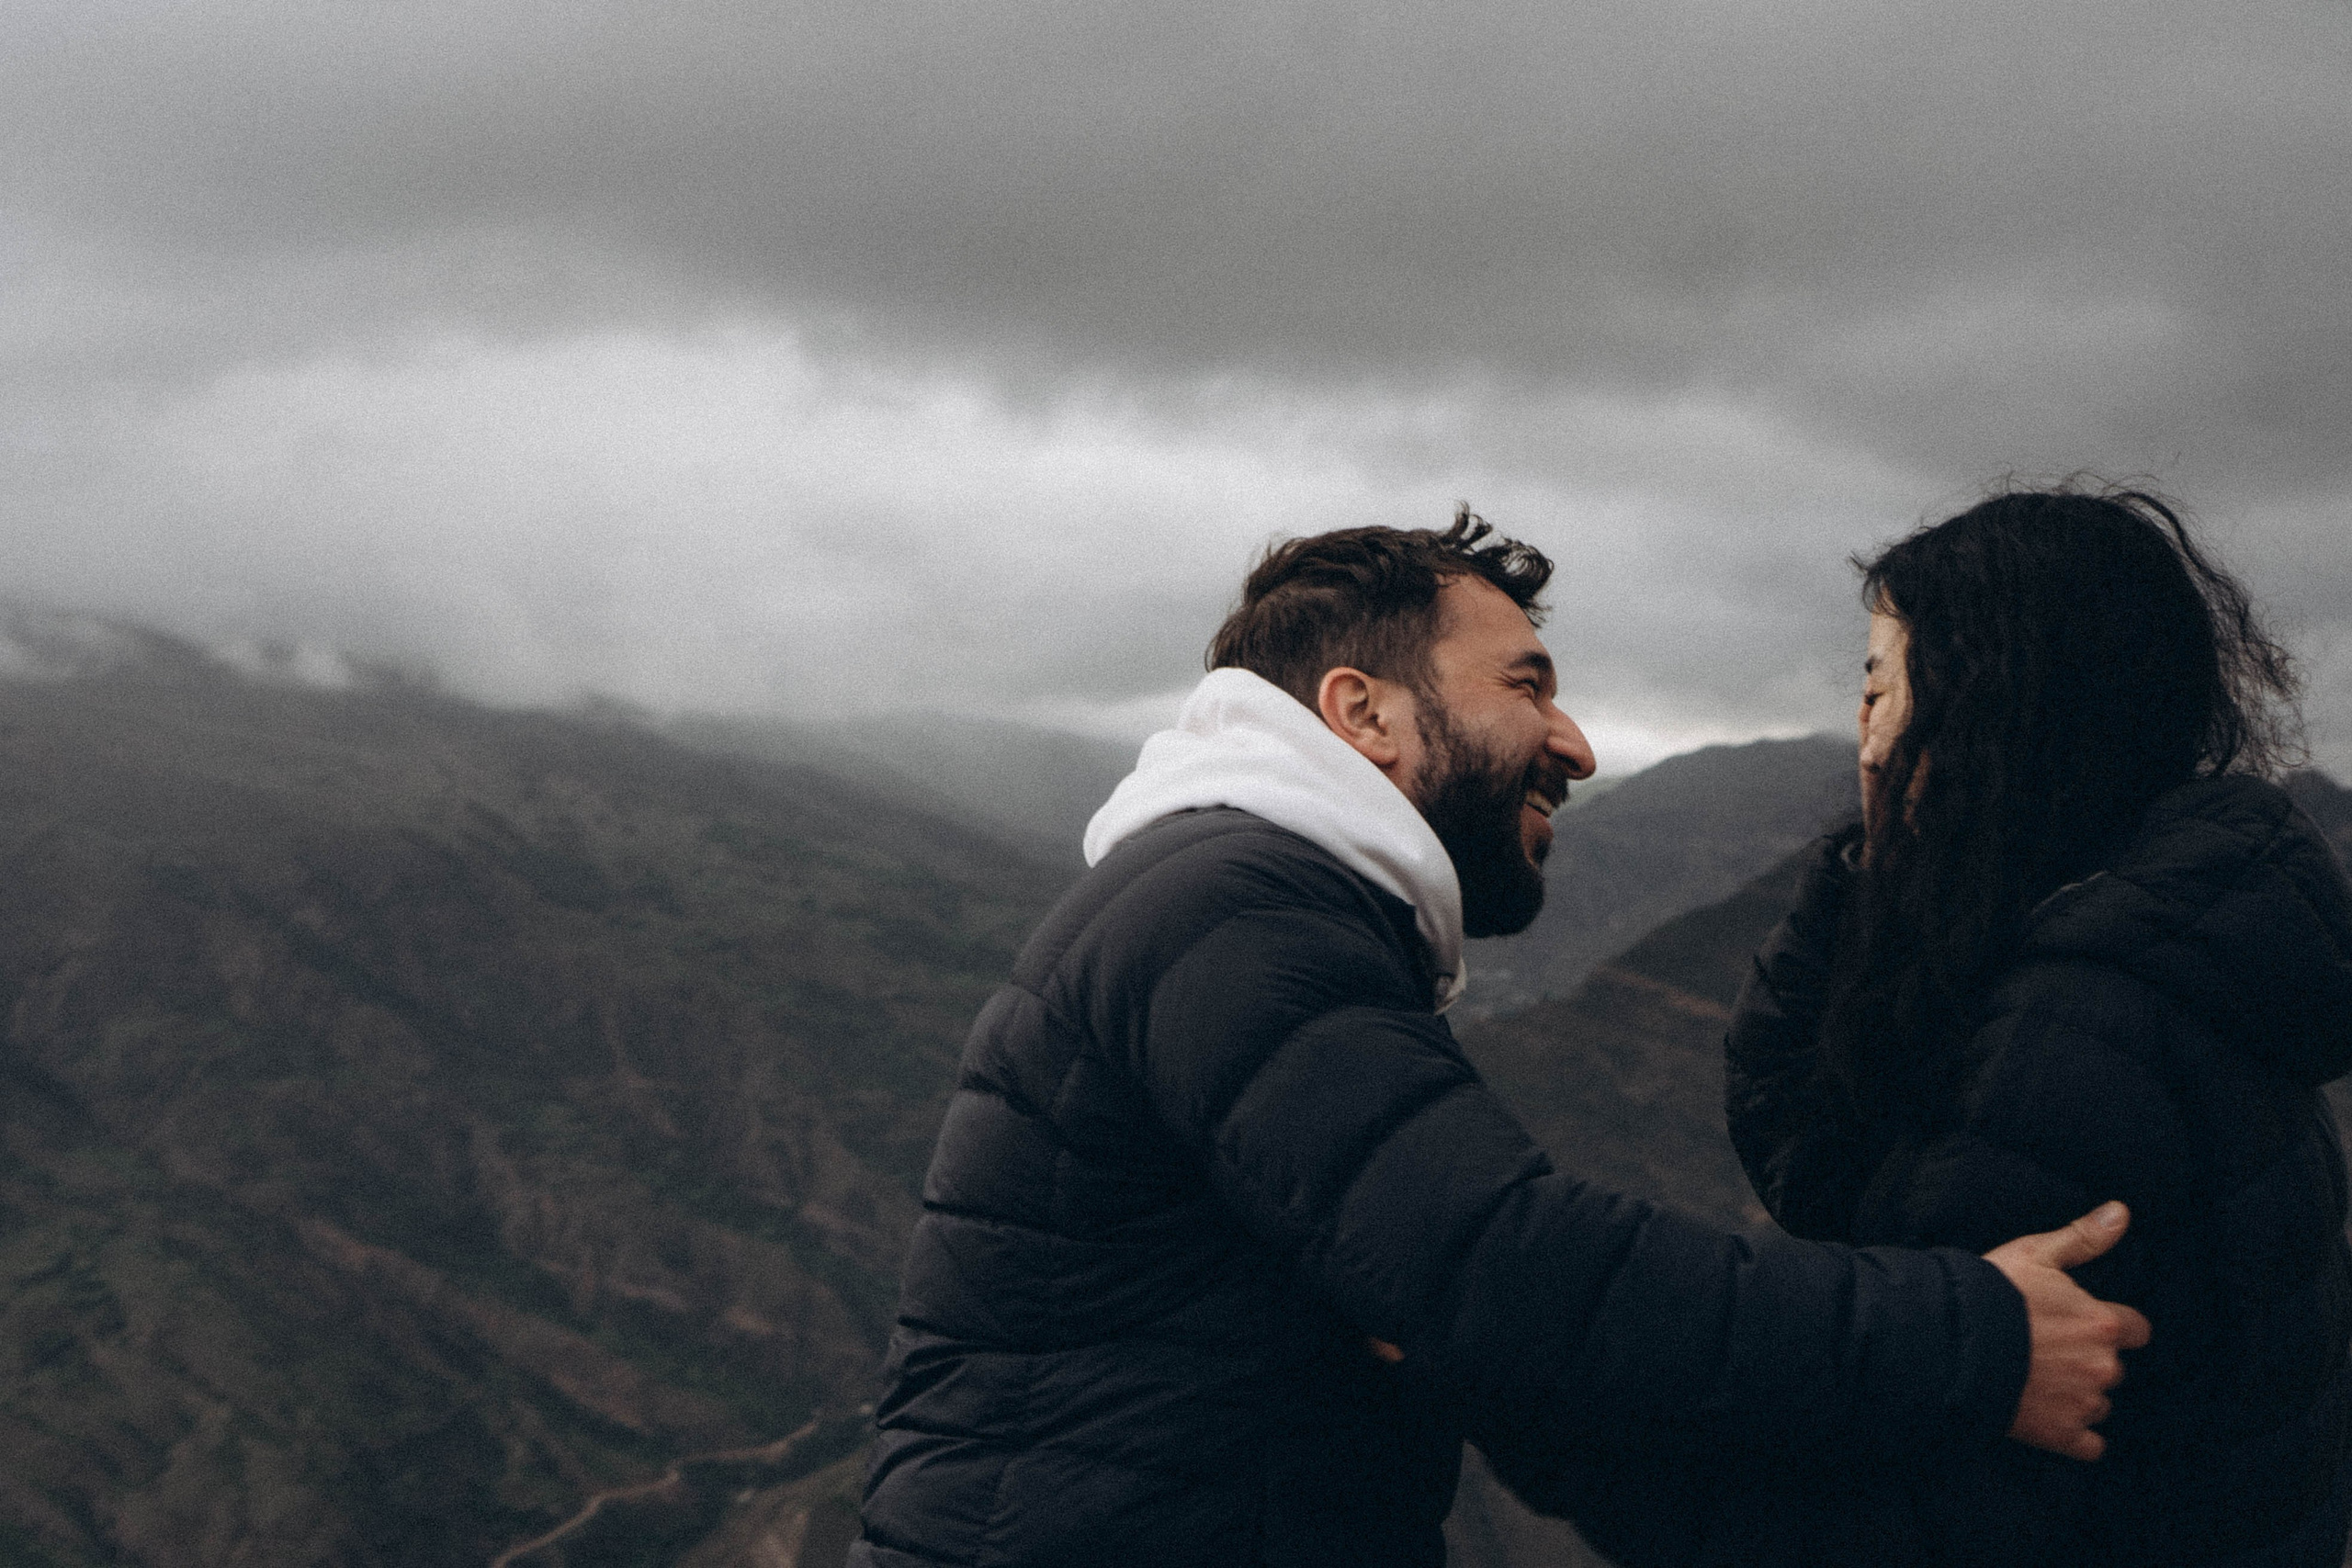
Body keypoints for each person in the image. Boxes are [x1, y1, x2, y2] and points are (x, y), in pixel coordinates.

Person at [849, 509, 2148, 1568]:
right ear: (1364, 713)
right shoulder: (1232, 909)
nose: (1575, 742)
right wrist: (1974, 1336)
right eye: (1529, 684)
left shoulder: (1253, 897)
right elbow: (1508, 1269)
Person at [1494, 487, 2352, 1565]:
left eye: (1879, 678)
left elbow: (1887, 1514)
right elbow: (1821, 1172)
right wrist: (1874, 867)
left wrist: (1524, 1403)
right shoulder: (2177, 947)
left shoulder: (2078, 1035)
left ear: (1984, 702)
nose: (1864, 721)